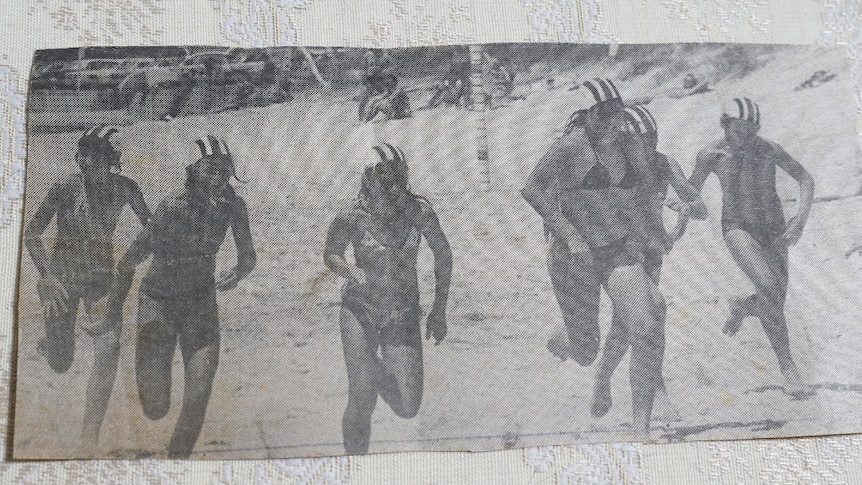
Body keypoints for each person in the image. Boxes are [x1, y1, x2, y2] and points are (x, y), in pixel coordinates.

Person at [521, 78, 666, 435]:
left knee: (646, 327)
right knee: (586, 351)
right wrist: (569, 235)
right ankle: (564, 335)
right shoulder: (569, 147)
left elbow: (647, 189)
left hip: (617, 251)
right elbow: (532, 189)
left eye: (615, 110)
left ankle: (641, 429)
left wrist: (653, 230)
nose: (611, 119)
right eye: (602, 112)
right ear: (587, 115)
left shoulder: (630, 145)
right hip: (574, 256)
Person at [105, 136, 256, 458]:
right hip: (157, 301)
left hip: (200, 303)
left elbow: (248, 256)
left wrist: (239, 271)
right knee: (156, 407)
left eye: (224, 169)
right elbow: (130, 259)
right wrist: (112, 312)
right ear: (193, 170)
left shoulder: (233, 205)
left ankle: (178, 463)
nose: (219, 177)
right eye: (210, 169)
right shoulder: (172, 206)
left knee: (199, 392)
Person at [23, 125, 151, 450]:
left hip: (100, 277)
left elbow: (152, 228)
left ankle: (88, 438)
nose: (88, 162)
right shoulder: (64, 186)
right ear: (78, 157)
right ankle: (51, 342)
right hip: (62, 278)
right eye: (84, 154)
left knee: (109, 349)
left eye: (97, 156)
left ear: (113, 162)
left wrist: (136, 256)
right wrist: (46, 277)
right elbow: (32, 233)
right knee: (60, 362)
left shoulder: (127, 188)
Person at [324, 144, 452, 453]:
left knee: (408, 407)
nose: (394, 185)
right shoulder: (352, 215)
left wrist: (439, 310)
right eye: (385, 178)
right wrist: (350, 271)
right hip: (361, 308)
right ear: (368, 179)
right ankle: (355, 467)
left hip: (403, 311)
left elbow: (443, 255)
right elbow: (331, 254)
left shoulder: (419, 211)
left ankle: (372, 365)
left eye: (398, 176)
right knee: (362, 396)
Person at [683, 97, 815, 396]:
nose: (746, 138)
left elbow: (805, 179)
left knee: (774, 299)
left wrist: (800, 218)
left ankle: (743, 305)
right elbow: (691, 193)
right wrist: (682, 210)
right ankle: (788, 369)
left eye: (751, 131)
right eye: (740, 131)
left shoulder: (768, 149)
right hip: (737, 228)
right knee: (769, 286)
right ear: (725, 125)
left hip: (775, 228)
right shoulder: (711, 155)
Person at [588, 105, 708, 421]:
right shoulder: (608, 167)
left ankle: (603, 377)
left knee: (629, 326)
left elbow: (701, 208)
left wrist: (682, 206)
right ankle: (655, 392)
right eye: (639, 141)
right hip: (618, 253)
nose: (647, 148)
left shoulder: (664, 163)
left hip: (650, 250)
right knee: (639, 321)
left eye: (651, 140)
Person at [358, 49, 397, 121]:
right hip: (369, 80)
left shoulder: (385, 55)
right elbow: (363, 68)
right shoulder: (367, 55)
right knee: (363, 100)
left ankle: (391, 113)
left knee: (386, 97)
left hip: (380, 80)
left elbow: (394, 66)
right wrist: (363, 79)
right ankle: (361, 119)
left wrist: (385, 72)